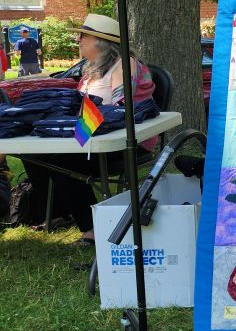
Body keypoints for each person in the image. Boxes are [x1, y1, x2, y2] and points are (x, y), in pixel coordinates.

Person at [20, 14, 155, 243]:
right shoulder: (91, 69)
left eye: (83, 35)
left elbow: (120, 109)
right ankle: (60, 213)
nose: (78, 39)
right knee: (32, 154)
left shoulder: (125, 65)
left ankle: (91, 227)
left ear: (101, 41)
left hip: (123, 142)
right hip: (87, 136)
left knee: (62, 162)